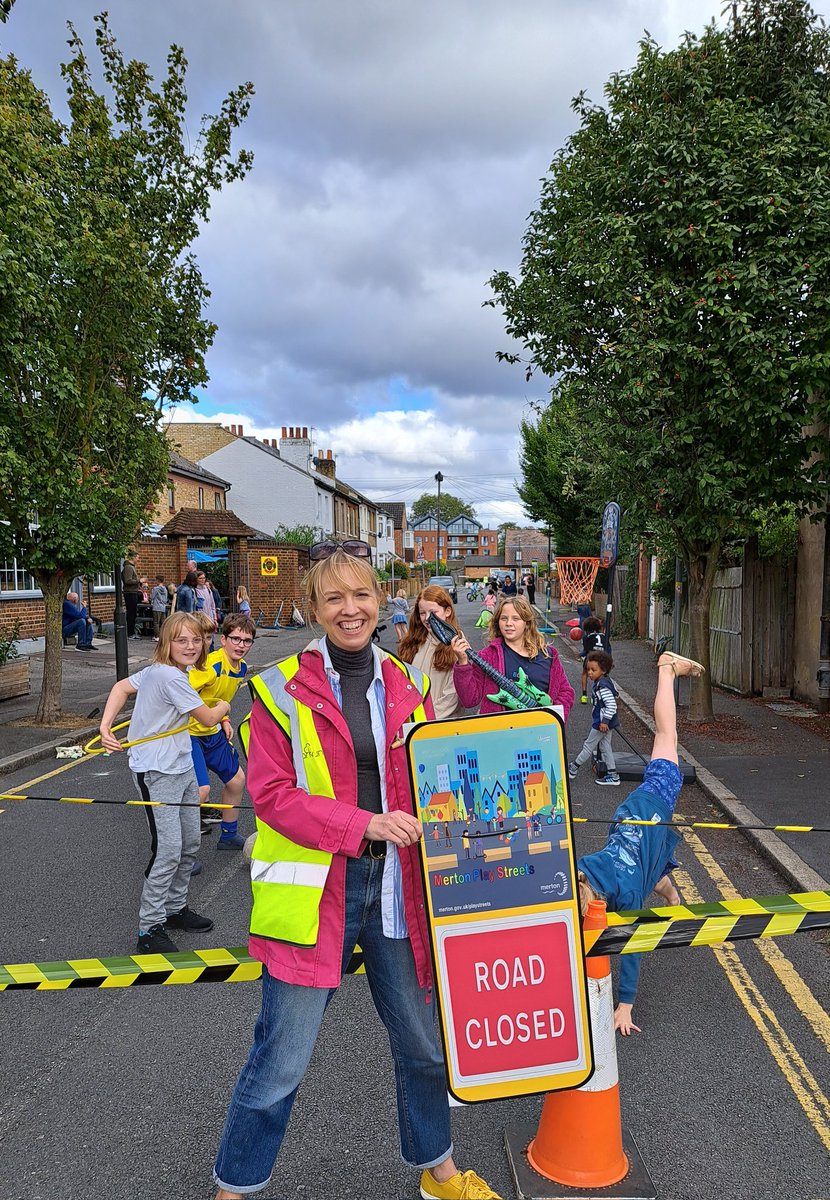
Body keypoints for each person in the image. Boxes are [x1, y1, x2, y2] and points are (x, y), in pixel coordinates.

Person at [212, 541, 500, 1200]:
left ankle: (440, 1173)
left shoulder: (406, 682)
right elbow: (276, 797)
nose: (351, 609)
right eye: (334, 597)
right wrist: (362, 825)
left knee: (424, 1047)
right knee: (281, 1059)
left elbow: (433, 779)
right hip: (318, 894)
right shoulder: (276, 688)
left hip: (396, 891)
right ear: (313, 606)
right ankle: (233, 1190)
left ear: (381, 602)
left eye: (362, 595)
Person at [577, 651, 704, 1034]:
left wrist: (625, 1004)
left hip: (648, 808)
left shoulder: (627, 898)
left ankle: (666, 669)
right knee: (647, 864)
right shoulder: (579, 870)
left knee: (667, 736)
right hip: (626, 825)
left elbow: (631, 949)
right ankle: (669, 894)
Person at [98, 612, 231, 953]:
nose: (190, 646)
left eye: (196, 640)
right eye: (181, 640)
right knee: (168, 850)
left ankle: (174, 909)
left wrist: (106, 725)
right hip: (156, 772)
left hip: (181, 764)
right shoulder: (169, 677)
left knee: (189, 843)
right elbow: (209, 719)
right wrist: (225, 705)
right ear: (166, 643)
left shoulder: (170, 673)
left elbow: (121, 687)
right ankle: (149, 927)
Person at [188, 614, 255, 851]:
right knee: (200, 791)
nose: (241, 645)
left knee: (236, 780)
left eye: (247, 641)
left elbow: (219, 698)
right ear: (223, 639)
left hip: (212, 732)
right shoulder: (211, 664)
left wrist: (224, 718)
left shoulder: (241, 668)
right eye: (235, 638)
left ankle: (228, 836)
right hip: (189, 734)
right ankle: (181, 851)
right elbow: (181, 690)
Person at [451, 594, 574, 719]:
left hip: (540, 733)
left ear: (527, 623)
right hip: (500, 733)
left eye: (516, 618)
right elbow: (469, 699)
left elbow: (566, 692)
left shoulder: (549, 655)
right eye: (504, 618)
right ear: (498, 622)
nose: (508, 623)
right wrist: (462, 663)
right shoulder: (487, 656)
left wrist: (553, 718)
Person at [398, 584, 464, 720]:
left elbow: (453, 695)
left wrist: (424, 719)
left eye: (433, 613)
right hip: (411, 723)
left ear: (447, 611)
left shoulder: (458, 644)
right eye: (422, 613)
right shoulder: (412, 642)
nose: (427, 618)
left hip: (442, 726)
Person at [568, 650, 621, 786]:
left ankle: (573, 768)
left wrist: (604, 721)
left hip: (601, 724)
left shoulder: (602, 686)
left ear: (603, 670)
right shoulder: (604, 681)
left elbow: (611, 705)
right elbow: (616, 695)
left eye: (593, 670)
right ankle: (613, 775)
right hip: (605, 722)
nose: (590, 673)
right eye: (588, 669)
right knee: (605, 747)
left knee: (588, 746)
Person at [579, 616, 611, 703]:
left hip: (592, 657)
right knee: (600, 676)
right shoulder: (604, 636)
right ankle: (596, 696)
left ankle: (584, 695)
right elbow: (608, 648)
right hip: (602, 658)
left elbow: (586, 650)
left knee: (585, 673)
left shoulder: (587, 637)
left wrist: (580, 654)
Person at [122, 553, 141, 638]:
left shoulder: (131, 567)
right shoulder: (128, 568)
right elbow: (128, 581)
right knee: (131, 613)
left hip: (133, 592)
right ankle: (130, 633)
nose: (138, 559)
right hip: (129, 593)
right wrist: (139, 580)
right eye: (137, 557)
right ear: (133, 557)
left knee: (133, 613)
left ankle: (132, 632)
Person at [150, 575, 169, 641]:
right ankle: (163, 636)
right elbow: (166, 599)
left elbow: (152, 597)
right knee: (163, 622)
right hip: (163, 607)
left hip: (156, 607)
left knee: (156, 623)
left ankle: (157, 637)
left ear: (158, 580)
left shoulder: (155, 589)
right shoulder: (165, 589)